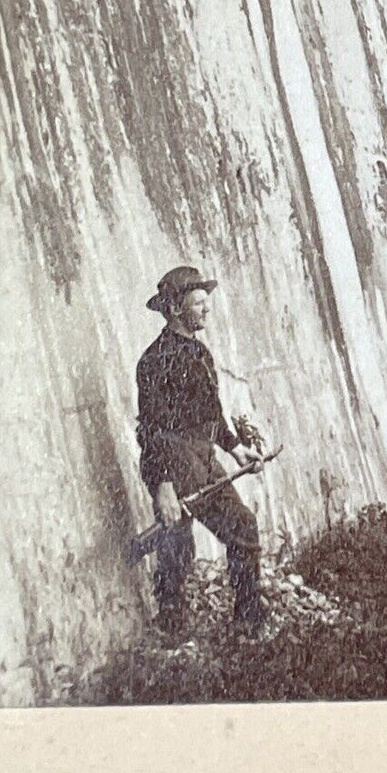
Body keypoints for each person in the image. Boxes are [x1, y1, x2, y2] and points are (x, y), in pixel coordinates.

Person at [136, 265, 267, 638]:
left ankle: (247, 617)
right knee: (177, 540)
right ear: (176, 309)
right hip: (174, 459)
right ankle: (173, 627)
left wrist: (236, 448)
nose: (206, 310)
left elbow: (212, 414)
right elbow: (150, 430)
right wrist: (162, 485)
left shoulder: (199, 352)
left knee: (240, 525)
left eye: (206, 303)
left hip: (204, 456)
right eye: (198, 303)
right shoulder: (154, 360)